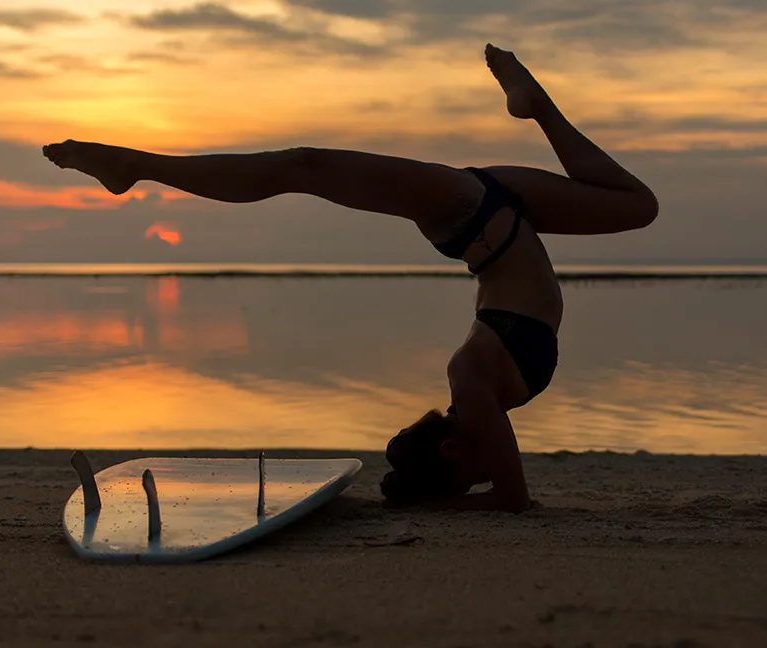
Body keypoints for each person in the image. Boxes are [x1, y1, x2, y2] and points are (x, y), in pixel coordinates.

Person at [42, 44, 659, 513]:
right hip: (491, 216)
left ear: (450, 448)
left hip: (472, 212)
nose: (491, 464)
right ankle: (538, 108)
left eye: (473, 469)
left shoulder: (470, 382)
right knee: (638, 206)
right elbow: (507, 485)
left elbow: (512, 495)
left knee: (302, 165)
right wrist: (466, 496)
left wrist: (473, 498)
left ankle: (134, 166)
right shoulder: (485, 393)